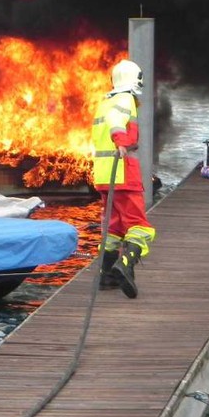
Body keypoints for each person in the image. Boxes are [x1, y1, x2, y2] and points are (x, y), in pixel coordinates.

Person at [92, 59, 156, 299]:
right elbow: (116, 123)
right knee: (139, 226)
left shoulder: (104, 102)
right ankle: (125, 266)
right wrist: (121, 142)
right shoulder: (125, 99)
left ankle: (106, 276)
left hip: (103, 174)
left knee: (114, 227)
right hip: (121, 170)